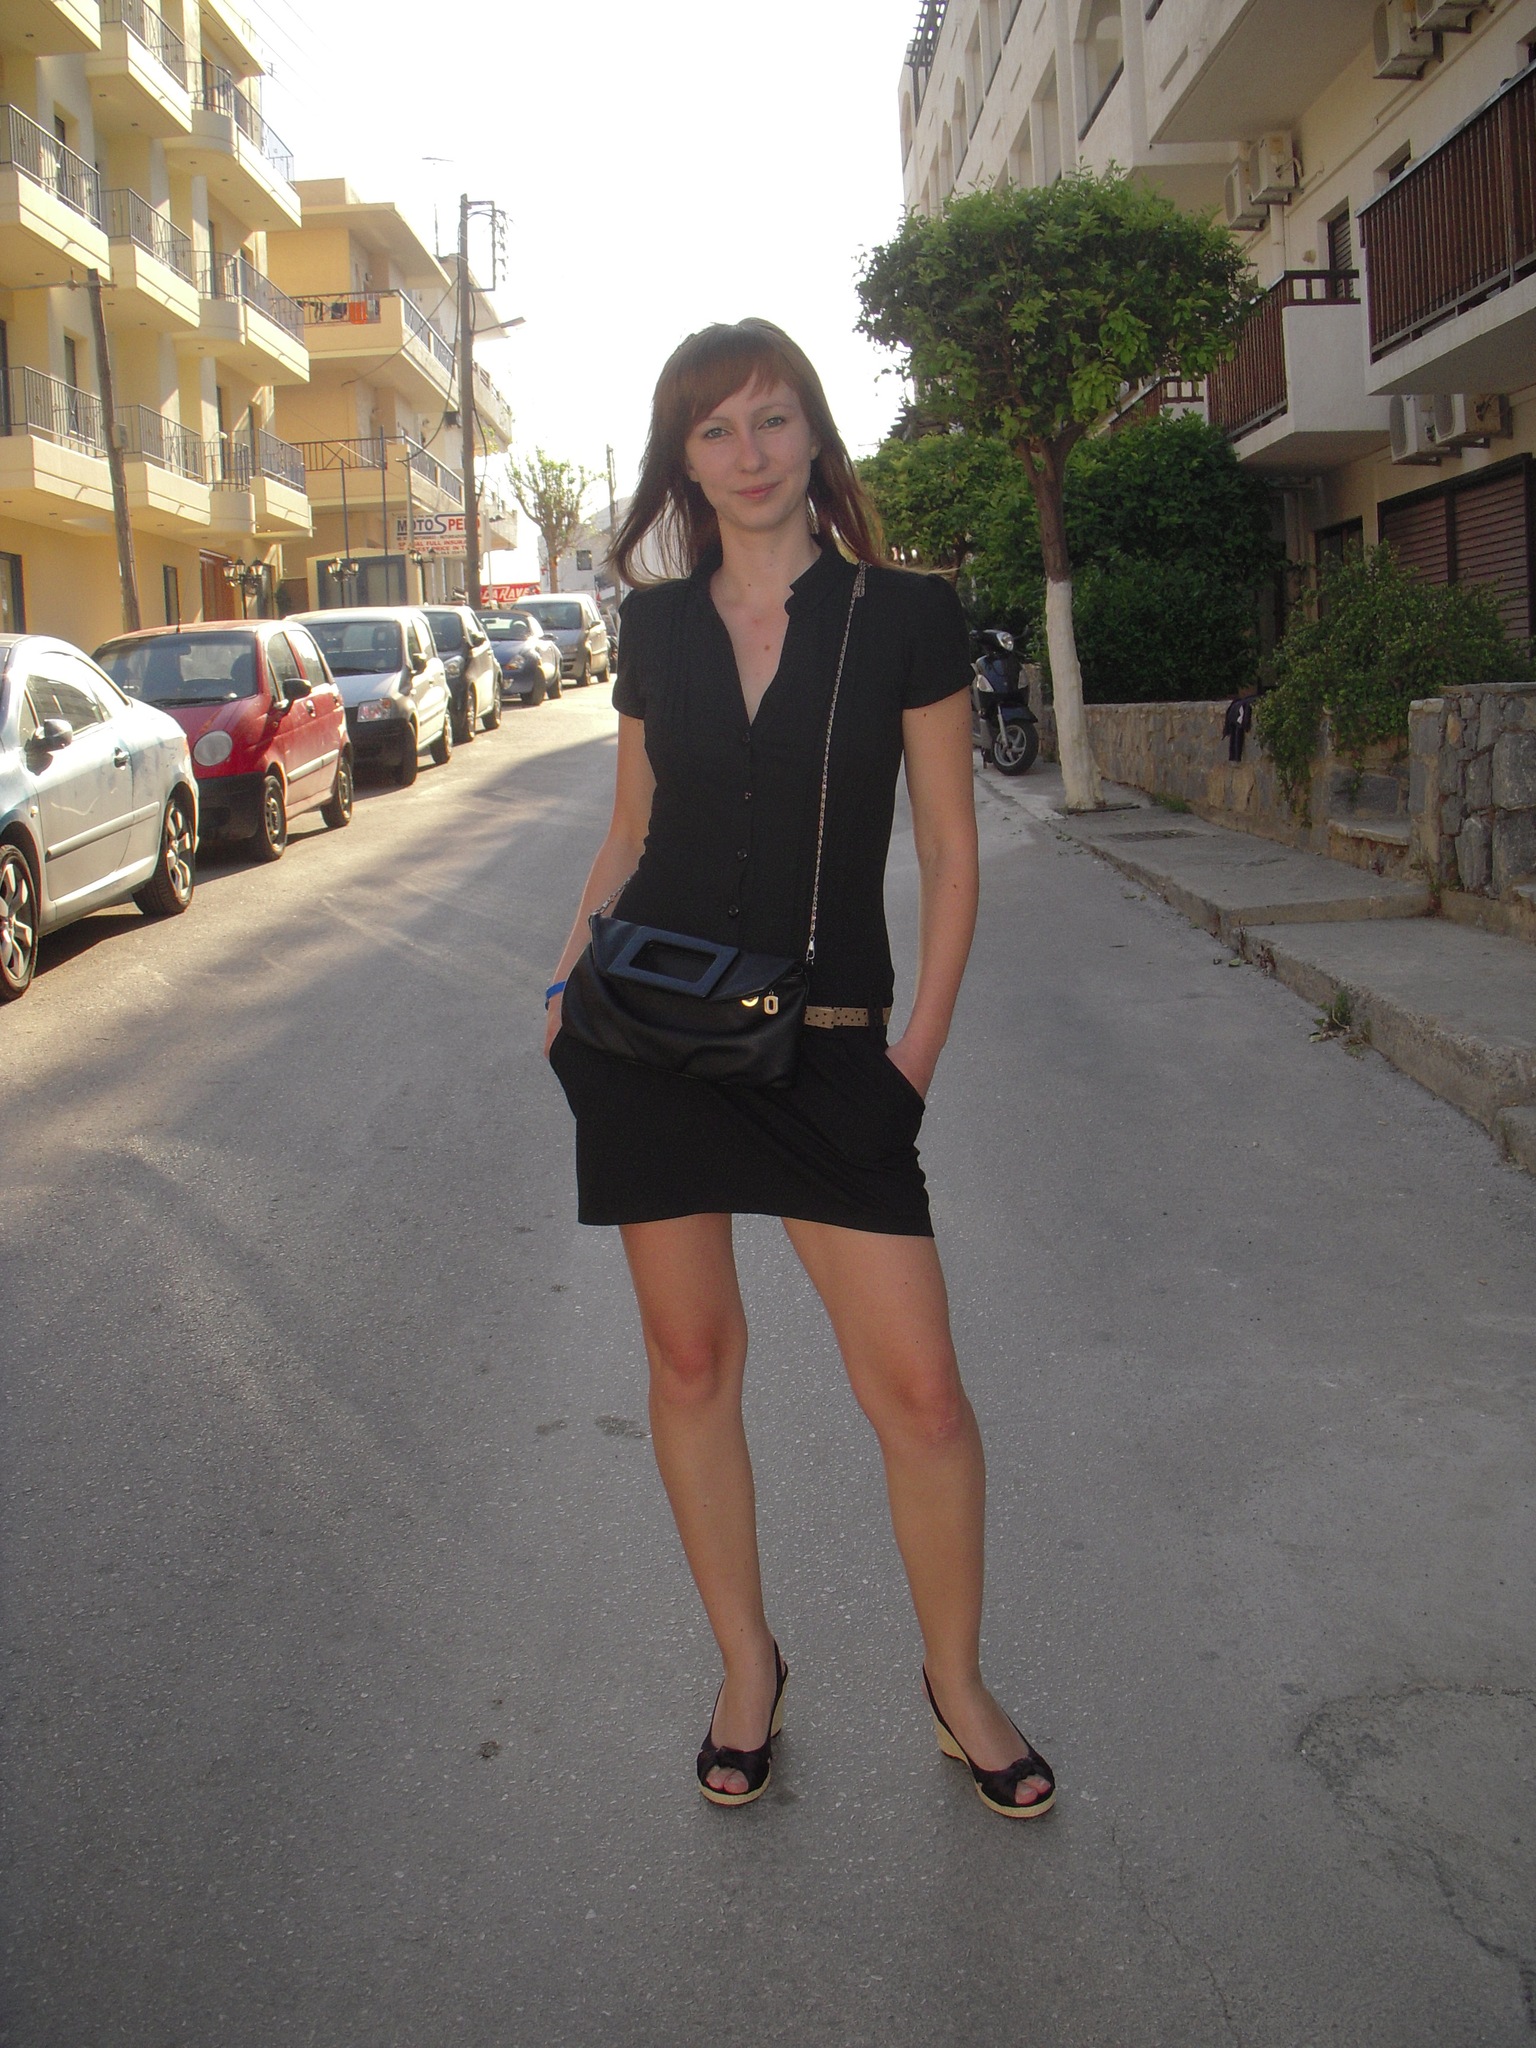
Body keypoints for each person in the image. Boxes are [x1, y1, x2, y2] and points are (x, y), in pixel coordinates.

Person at [543, 319, 1053, 1820]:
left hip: (832, 1051)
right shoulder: (654, 627)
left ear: (817, 434)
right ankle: (746, 1666)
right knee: (693, 1365)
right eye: (716, 430)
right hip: (651, 1043)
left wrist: (915, 1058)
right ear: (683, 461)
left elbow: (950, 850)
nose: (750, 453)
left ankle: (956, 1687)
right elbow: (630, 832)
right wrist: (565, 985)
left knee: (924, 1398)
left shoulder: (906, 613)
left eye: (773, 419)